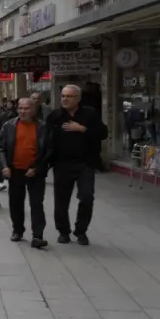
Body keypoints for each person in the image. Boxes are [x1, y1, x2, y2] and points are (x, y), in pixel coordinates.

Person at [47, 84, 107, 245]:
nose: (65, 99)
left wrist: (83, 129)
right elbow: (46, 140)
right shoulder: (55, 116)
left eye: (69, 96)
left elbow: (103, 134)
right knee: (61, 200)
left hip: (85, 163)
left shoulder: (90, 114)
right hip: (62, 164)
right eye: (63, 96)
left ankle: (81, 230)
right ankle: (63, 231)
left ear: (78, 99)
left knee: (87, 196)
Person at [0, 97, 51, 249]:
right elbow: (0, 147)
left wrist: (36, 167)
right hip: (15, 171)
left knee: (36, 204)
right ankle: (18, 230)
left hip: (35, 172)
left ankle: (38, 235)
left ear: (34, 110)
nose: (23, 111)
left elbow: (48, 150)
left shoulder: (42, 126)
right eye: (20, 108)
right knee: (15, 203)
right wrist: (4, 166)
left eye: (26, 108)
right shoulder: (9, 126)